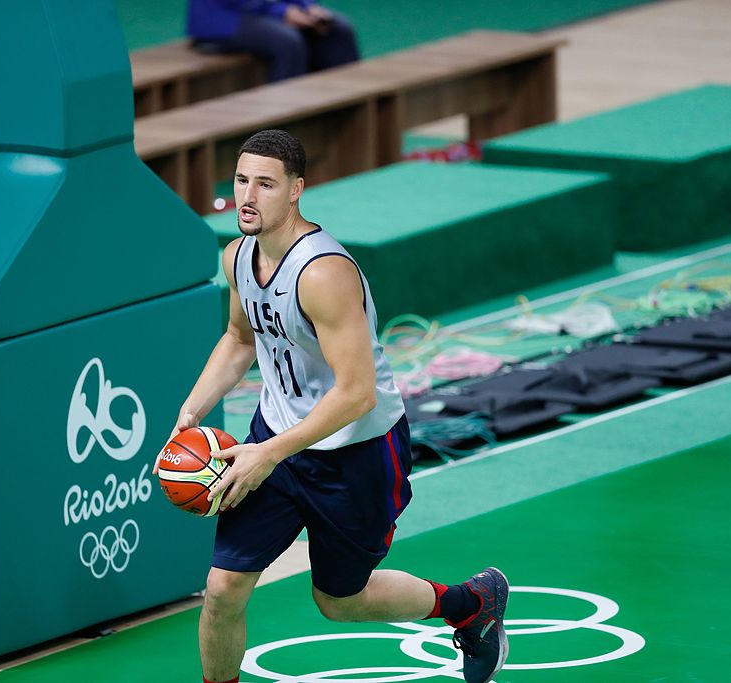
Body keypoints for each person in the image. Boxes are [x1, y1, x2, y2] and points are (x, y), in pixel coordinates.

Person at [154, 129, 510, 683]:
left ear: (296, 190)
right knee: (223, 589)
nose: (248, 196)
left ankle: (470, 606)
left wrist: (268, 453)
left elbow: (356, 393)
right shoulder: (237, 257)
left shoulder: (323, 274)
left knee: (340, 600)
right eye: (242, 180)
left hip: (356, 453)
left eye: (265, 184)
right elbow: (240, 338)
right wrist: (191, 412)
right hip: (274, 439)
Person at [186, 0, 360, 82]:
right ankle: (280, 132)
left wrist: (307, 6)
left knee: (338, 29)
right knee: (288, 41)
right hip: (226, 16)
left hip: (267, 11)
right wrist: (282, 12)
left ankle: (343, 111)